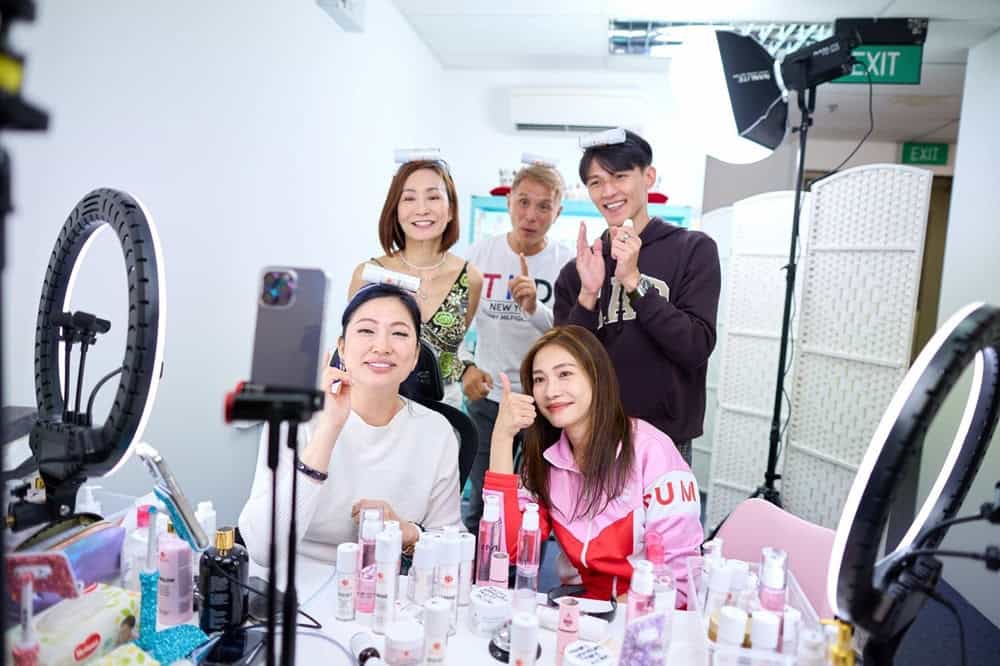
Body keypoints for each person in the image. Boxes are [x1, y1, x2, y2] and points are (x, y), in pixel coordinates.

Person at [238, 284, 462, 577]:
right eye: (367, 331)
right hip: (290, 586)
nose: (382, 346)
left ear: (416, 355)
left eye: (399, 333)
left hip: (379, 588)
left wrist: (408, 534)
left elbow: (454, 549)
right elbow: (261, 548)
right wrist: (328, 429)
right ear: (342, 348)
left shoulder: (437, 432)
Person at [484, 325, 703, 602]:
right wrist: (502, 437)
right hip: (579, 610)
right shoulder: (545, 459)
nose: (551, 391)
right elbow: (509, 547)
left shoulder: (652, 452)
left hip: (647, 617)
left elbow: (680, 581)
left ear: (596, 376)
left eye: (564, 374)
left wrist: (617, 614)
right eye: (539, 380)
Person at [553, 130, 721, 464]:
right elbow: (562, 364)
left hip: (665, 440)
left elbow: (694, 346)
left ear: (648, 177)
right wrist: (588, 294)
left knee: (664, 520)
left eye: (619, 176)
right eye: (596, 182)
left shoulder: (692, 249)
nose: (608, 191)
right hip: (592, 435)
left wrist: (633, 281)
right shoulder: (579, 270)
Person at [460, 163, 574, 532]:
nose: (531, 215)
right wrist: (465, 368)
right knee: (482, 500)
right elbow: (456, 329)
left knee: (534, 506)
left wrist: (534, 311)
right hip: (488, 400)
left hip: (543, 405)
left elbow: (572, 340)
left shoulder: (566, 265)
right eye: (523, 202)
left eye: (544, 206)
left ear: (558, 212)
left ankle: (521, 583)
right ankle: (476, 584)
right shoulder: (480, 256)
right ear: (508, 202)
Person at [349, 158, 483, 408]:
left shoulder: (470, 278)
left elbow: (454, 349)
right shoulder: (369, 274)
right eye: (409, 198)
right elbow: (353, 350)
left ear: (451, 209)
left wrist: (469, 369)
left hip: (444, 408)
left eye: (433, 197)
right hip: (376, 404)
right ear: (395, 209)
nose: (422, 209)